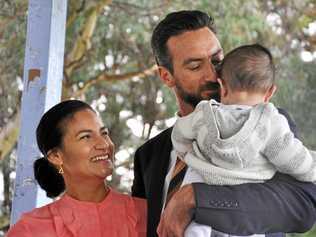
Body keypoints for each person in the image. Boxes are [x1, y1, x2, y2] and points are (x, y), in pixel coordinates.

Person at [131, 10, 316, 237]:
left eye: (217, 60)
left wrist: (196, 198)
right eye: (195, 66)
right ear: (166, 76)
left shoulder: (270, 124)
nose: (213, 74)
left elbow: (302, 207)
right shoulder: (147, 156)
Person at [171, 43, 316, 236]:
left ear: (222, 86)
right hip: (245, 191)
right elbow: (296, 162)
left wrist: (188, 154)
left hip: (204, 180)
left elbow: (179, 132)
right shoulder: (272, 124)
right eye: (195, 66)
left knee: (194, 188)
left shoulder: (204, 115)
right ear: (270, 92)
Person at [7, 100, 147, 237]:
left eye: (104, 133)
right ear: (56, 156)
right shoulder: (30, 230)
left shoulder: (146, 214)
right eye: (86, 136)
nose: (104, 144)